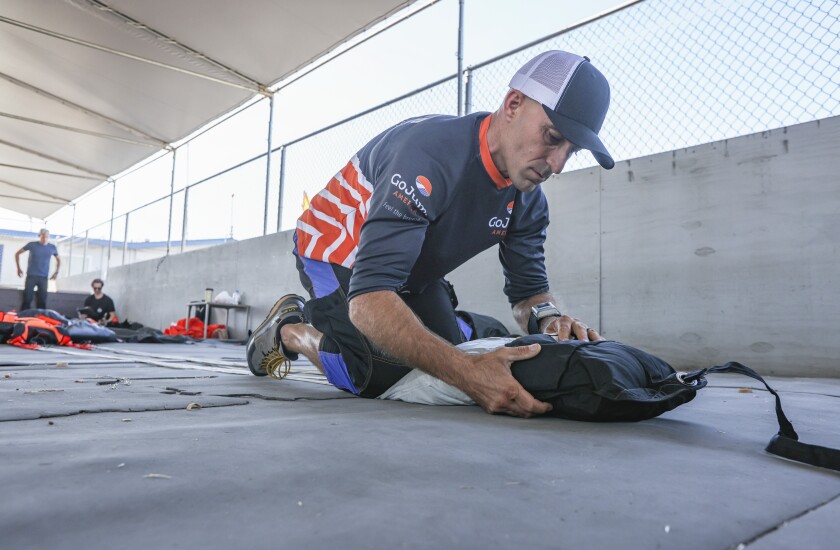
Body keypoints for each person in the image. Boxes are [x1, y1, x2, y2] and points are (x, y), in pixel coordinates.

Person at [247, 50, 615, 418]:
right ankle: (290, 330)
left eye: (572, 150)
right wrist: (467, 372)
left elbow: (528, 292)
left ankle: (462, 330)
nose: (558, 164)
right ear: (513, 104)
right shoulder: (428, 156)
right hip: (334, 250)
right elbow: (370, 298)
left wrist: (552, 321)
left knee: (441, 365)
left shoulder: (529, 200)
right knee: (376, 373)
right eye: (552, 137)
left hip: (409, 274)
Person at [15, 228, 60, 311]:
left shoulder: (52, 247)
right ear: (40, 236)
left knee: (42, 300)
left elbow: (58, 259)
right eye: (43, 236)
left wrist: (56, 272)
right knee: (27, 298)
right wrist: (18, 268)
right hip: (31, 276)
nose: (44, 238)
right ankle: (23, 316)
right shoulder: (32, 245)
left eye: (46, 237)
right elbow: (17, 254)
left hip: (43, 277)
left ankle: (41, 318)